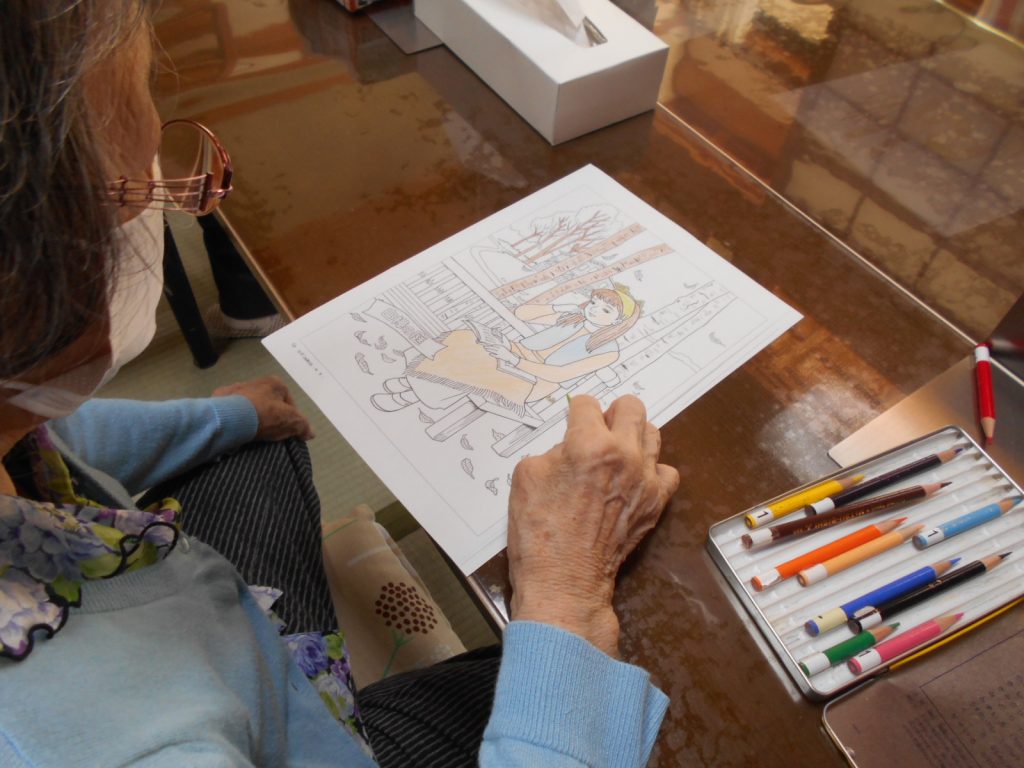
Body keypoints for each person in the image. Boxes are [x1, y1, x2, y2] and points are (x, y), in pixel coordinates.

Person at [0, 2, 680, 767]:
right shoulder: (124, 745)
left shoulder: (14, 409)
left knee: (260, 442)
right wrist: (566, 598)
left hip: (229, 639)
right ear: (36, 271)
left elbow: (45, 439)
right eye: (154, 191)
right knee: (598, 690)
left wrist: (221, 420)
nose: (173, 191)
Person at [372, 287, 642, 418]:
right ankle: (416, 384)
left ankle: (411, 391)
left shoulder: (610, 351)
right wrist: (560, 308)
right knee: (463, 338)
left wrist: (515, 360)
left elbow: (559, 375)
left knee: (484, 364)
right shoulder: (571, 317)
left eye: (605, 310)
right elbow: (522, 313)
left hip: (536, 380)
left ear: (619, 320)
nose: (594, 310)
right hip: (515, 352)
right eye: (593, 302)